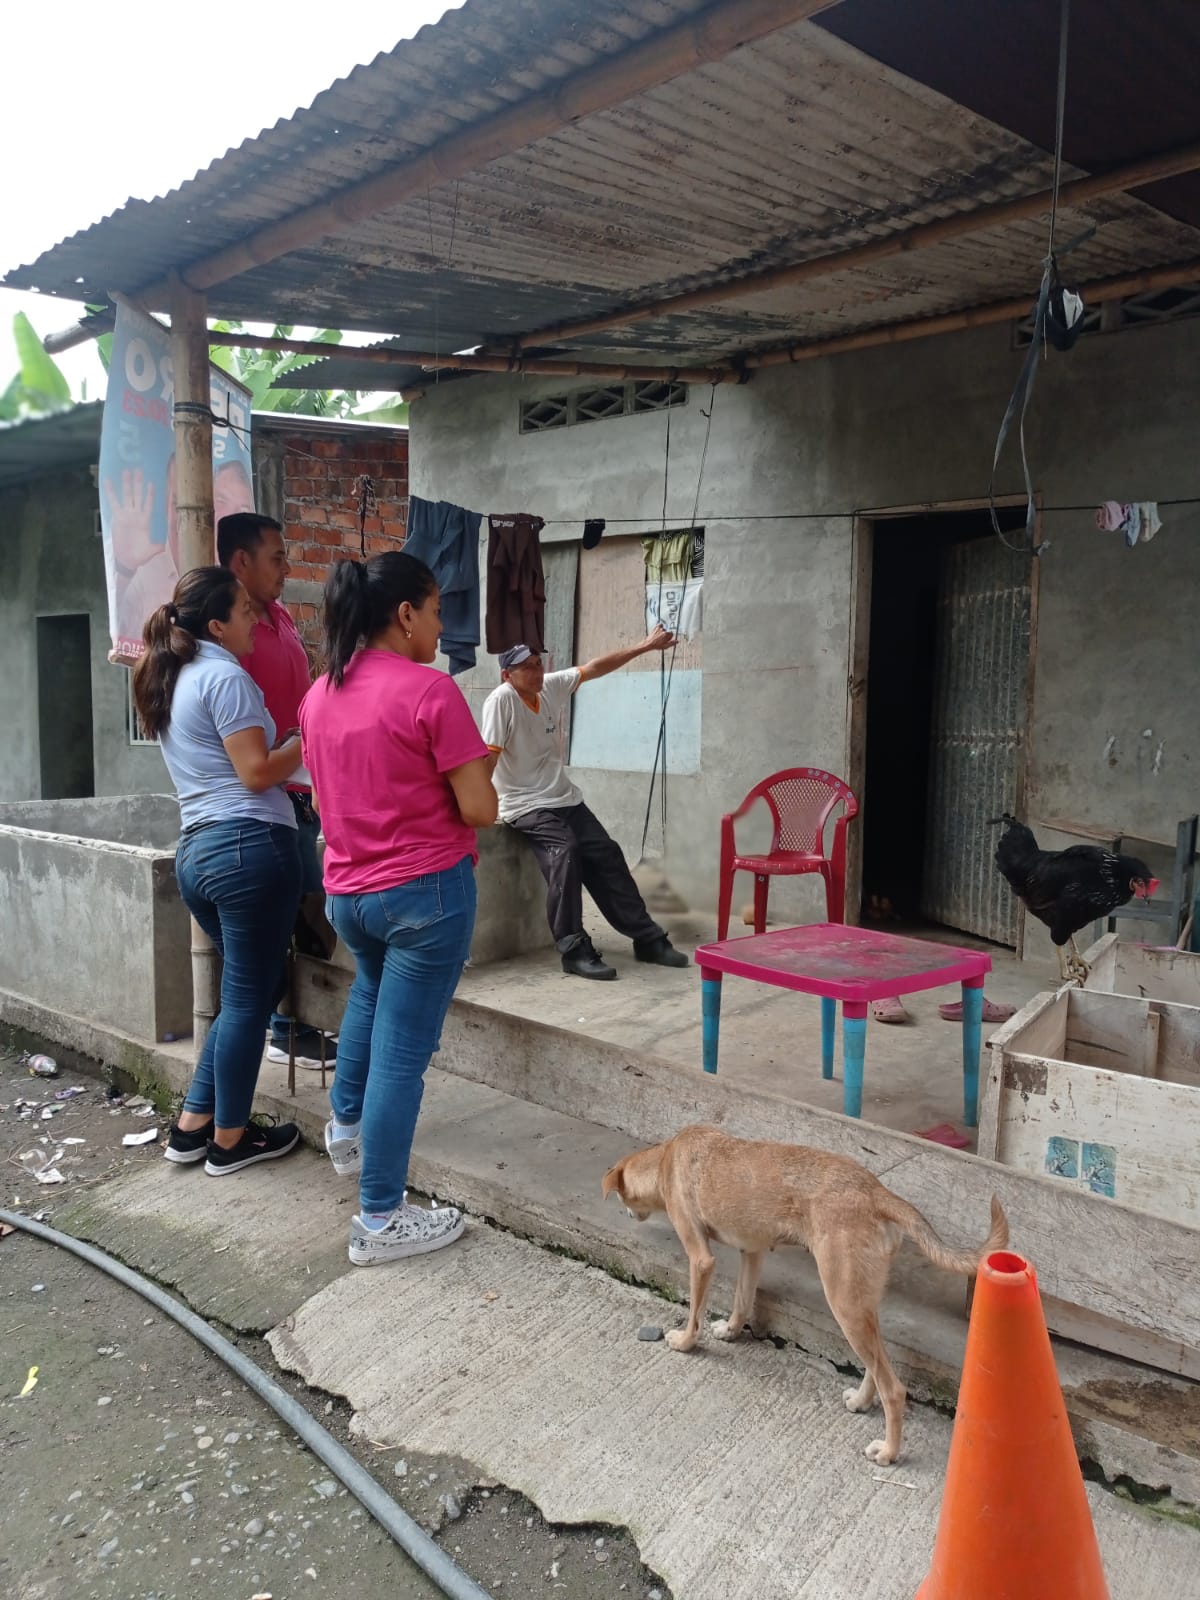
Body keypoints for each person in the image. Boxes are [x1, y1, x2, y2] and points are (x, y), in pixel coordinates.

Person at [299, 552, 497, 1266]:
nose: (442, 628)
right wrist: (478, 767)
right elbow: (480, 809)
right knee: (402, 1055)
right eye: (438, 612)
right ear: (406, 614)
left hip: (348, 895)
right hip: (424, 897)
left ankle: (346, 1132)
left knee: (369, 997)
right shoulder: (430, 691)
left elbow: (330, 797)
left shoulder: (319, 694)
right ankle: (380, 1218)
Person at [132, 566, 304, 1175]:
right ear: (216, 624)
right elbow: (256, 773)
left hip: (201, 854)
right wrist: (309, 737)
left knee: (248, 995)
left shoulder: (175, 676)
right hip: (248, 847)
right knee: (249, 1001)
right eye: (244, 609)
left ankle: (192, 1128)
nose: (255, 617)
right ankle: (231, 1141)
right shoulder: (224, 676)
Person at [481, 628, 690, 980]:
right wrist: (475, 809)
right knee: (565, 852)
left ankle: (646, 938)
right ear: (507, 675)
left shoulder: (549, 686)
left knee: (607, 852)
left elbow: (594, 667)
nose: (536, 671)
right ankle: (573, 949)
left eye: (538, 663)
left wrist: (645, 646)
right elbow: (488, 758)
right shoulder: (501, 701)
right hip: (524, 804)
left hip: (564, 797)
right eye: (526, 667)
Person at [217, 510, 335, 1071]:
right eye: (278, 558)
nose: (287, 569)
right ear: (241, 561)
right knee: (286, 917)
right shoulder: (227, 635)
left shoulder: (280, 614)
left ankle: (297, 1021)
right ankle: (284, 1027)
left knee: (312, 908)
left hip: (299, 783)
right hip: (261, 794)